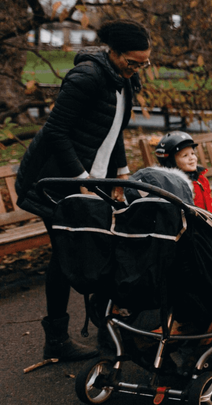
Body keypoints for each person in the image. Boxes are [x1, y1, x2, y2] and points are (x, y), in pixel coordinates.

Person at [14, 19, 151, 361]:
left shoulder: (124, 79)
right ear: (114, 52)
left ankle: (108, 329)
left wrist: (120, 176)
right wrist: (83, 181)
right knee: (67, 255)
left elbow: (114, 129)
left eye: (144, 63)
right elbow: (56, 133)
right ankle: (57, 339)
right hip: (55, 181)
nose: (137, 69)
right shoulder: (86, 77)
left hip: (95, 179)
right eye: (133, 62)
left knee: (104, 250)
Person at [154, 131, 212, 214]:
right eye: (185, 155)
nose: (192, 158)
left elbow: (209, 202)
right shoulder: (176, 186)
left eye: (192, 153)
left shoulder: (201, 178)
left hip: (208, 220)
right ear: (171, 162)